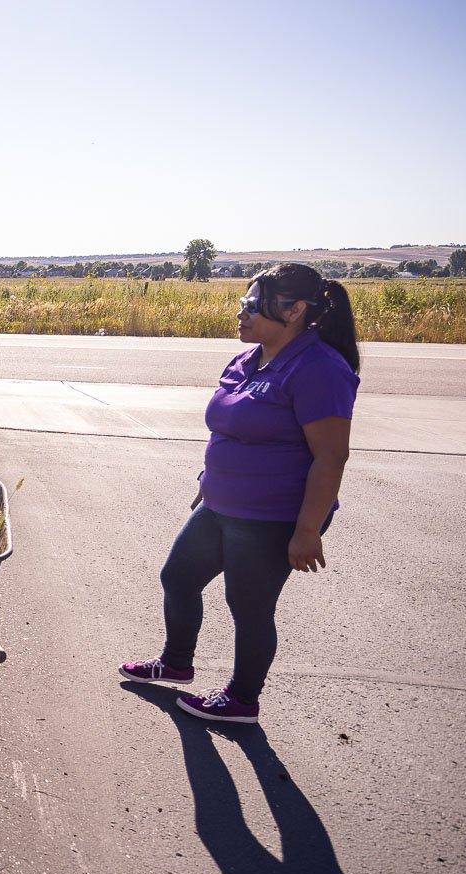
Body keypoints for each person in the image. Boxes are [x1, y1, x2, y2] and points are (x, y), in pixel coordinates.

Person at [120, 263, 361, 724]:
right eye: (242, 303)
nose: (241, 313)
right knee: (179, 577)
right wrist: (208, 481)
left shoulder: (318, 369)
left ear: (295, 311)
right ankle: (176, 662)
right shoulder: (249, 359)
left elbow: (331, 457)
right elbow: (232, 429)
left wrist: (308, 529)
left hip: (272, 515)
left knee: (249, 606)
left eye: (253, 306)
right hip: (220, 503)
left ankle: (242, 699)